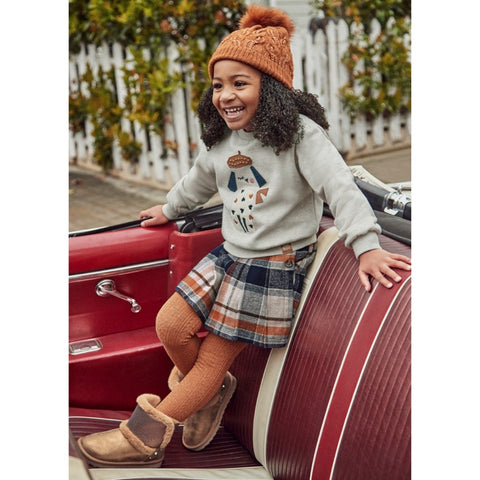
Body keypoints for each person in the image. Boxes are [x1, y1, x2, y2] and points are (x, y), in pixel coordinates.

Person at [77, 4, 411, 468]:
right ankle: (211, 393)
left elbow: (340, 187)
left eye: (240, 83)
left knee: (211, 360)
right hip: (232, 253)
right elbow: (198, 180)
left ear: (269, 88)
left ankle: (144, 439)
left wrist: (366, 246)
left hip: (274, 262)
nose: (226, 95)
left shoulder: (299, 135)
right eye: (218, 85)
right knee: (170, 325)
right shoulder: (223, 138)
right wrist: (169, 209)